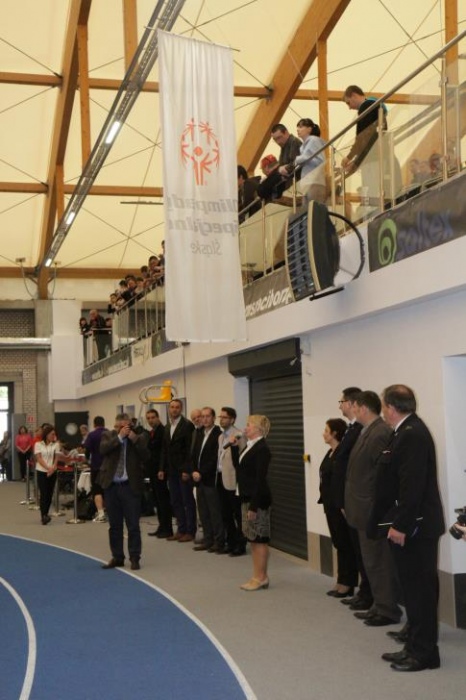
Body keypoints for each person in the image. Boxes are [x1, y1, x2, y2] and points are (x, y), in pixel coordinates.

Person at [372, 385, 445, 672]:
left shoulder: (412, 433)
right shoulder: (405, 430)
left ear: (391, 407)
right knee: (413, 591)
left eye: (383, 406)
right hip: (413, 524)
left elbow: (411, 486)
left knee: (419, 592)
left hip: (416, 528)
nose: (383, 411)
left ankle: (424, 654)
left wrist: (400, 525)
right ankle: (413, 646)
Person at [345, 390, 402, 627]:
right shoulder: (367, 431)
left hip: (372, 509)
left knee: (379, 561)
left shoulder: (380, 432)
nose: (351, 411)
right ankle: (379, 605)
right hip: (362, 508)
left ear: (363, 408)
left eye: (354, 407)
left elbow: (384, 475)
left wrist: (376, 507)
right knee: (371, 560)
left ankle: (387, 609)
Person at [335, 387, 373, 612]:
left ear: (352, 404)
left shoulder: (361, 430)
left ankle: (367, 594)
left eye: (342, 401)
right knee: (356, 550)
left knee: (363, 551)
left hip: (357, 501)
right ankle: (363, 591)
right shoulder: (352, 429)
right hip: (348, 500)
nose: (340, 405)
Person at [99, 413, 149, 570]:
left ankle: (135, 557)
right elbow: (103, 450)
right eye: (119, 426)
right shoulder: (108, 435)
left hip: (130, 487)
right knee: (114, 525)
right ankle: (117, 557)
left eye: (126, 426)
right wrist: (119, 437)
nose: (123, 429)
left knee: (133, 525)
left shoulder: (139, 437)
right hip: (112, 487)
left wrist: (134, 439)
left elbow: (146, 456)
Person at [231, 415, 272, 591]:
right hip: (246, 496)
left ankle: (261, 577)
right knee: (252, 539)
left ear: (258, 429)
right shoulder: (250, 446)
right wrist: (235, 449)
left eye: (248, 425)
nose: (245, 428)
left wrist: (254, 506)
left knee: (260, 539)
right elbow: (240, 469)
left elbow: (259, 479)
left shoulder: (262, 449)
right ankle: (256, 575)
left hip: (258, 500)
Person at [318, 418, 358, 598]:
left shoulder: (342, 453)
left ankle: (348, 583)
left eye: (326, 431)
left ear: (334, 433)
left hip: (339, 505)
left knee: (345, 544)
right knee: (338, 543)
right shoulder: (330, 452)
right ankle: (341, 580)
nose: (323, 434)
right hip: (329, 504)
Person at [158, 399, 195, 542]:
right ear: (169, 409)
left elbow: (190, 450)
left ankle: (190, 531)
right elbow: (164, 449)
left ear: (181, 409)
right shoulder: (168, 426)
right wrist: (162, 468)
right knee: (175, 501)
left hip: (183, 470)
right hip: (171, 470)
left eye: (177, 407)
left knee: (187, 501)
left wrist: (187, 470)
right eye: (172, 407)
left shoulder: (187, 425)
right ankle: (181, 529)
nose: (174, 409)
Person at [191, 407, 223, 552]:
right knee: (203, 511)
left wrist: (201, 472)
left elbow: (215, 458)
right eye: (202, 416)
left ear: (214, 418)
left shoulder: (218, 434)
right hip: (198, 479)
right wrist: (193, 471)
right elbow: (194, 455)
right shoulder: (199, 433)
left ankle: (219, 541)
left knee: (214, 512)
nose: (204, 419)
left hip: (210, 479)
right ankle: (208, 539)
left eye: (207, 416)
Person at [217, 407, 247, 556]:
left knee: (237, 514)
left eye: (224, 417)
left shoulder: (239, 435)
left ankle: (240, 545)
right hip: (221, 478)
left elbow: (242, 459)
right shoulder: (221, 437)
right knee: (225, 513)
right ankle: (231, 542)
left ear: (232, 419)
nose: (221, 420)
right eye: (220, 417)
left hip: (233, 480)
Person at [145, 409, 173, 539]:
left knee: (163, 501)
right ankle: (162, 526)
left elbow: (163, 452)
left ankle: (167, 528)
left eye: (153, 417)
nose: (150, 420)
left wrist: (162, 469)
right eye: (148, 418)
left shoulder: (163, 431)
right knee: (157, 500)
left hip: (161, 471)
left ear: (158, 417)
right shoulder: (152, 432)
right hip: (153, 471)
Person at [257, 124, 301, 201]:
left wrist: (283, 169)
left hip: (296, 186)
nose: (278, 142)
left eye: (279, 137)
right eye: (275, 140)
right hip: (290, 187)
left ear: (286, 132)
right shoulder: (284, 147)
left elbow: (296, 163)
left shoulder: (294, 142)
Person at [294, 118, 327, 203]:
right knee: (309, 209)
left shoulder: (313, 140)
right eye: (297, 127)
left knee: (313, 208)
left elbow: (317, 159)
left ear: (309, 129)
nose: (298, 129)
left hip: (314, 181)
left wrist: (297, 159)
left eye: (301, 127)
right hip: (309, 181)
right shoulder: (305, 145)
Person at [34, 425, 60, 524]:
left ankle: (46, 513)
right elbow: (39, 458)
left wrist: (53, 468)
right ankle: (43, 515)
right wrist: (48, 468)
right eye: (52, 434)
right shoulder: (38, 444)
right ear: (47, 434)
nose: (54, 436)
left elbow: (56, 458)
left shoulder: (56, 445)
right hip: (41, 471)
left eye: (54, 434)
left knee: (49, 493)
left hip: (53, 471)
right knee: (44, 493)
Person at [83, 416, 107, 523]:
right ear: (104, 423)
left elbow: (87, 450)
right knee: (108, 490)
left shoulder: (92, 435)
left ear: (94, 424)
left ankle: (101, 514)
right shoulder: (110, 433)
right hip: (109, 467)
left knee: (97, 491)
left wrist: (87, 460)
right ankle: (111, 512)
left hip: (96, 466)